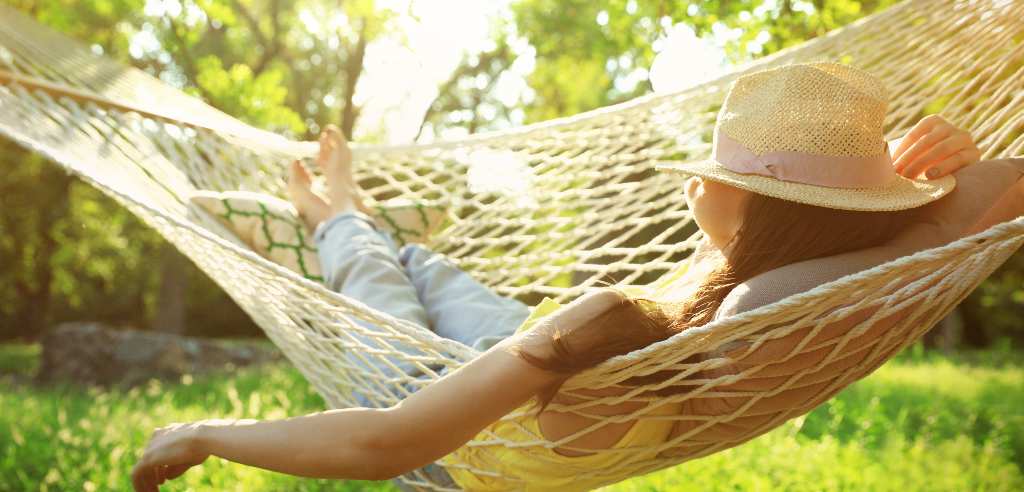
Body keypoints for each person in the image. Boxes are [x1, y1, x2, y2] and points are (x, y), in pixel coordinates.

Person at [130, 62, 1024, 491]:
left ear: (755, 204)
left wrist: (208, 432)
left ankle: (337, 217)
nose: (697, 181)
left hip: (443, 400)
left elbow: (385, 445)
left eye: (718, 173)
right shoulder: (838, 272)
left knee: (373, 274)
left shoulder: (651, 322)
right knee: (428, 267)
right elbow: (971, 204)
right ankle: (385, 231)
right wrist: (921, 185)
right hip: (545, 349)